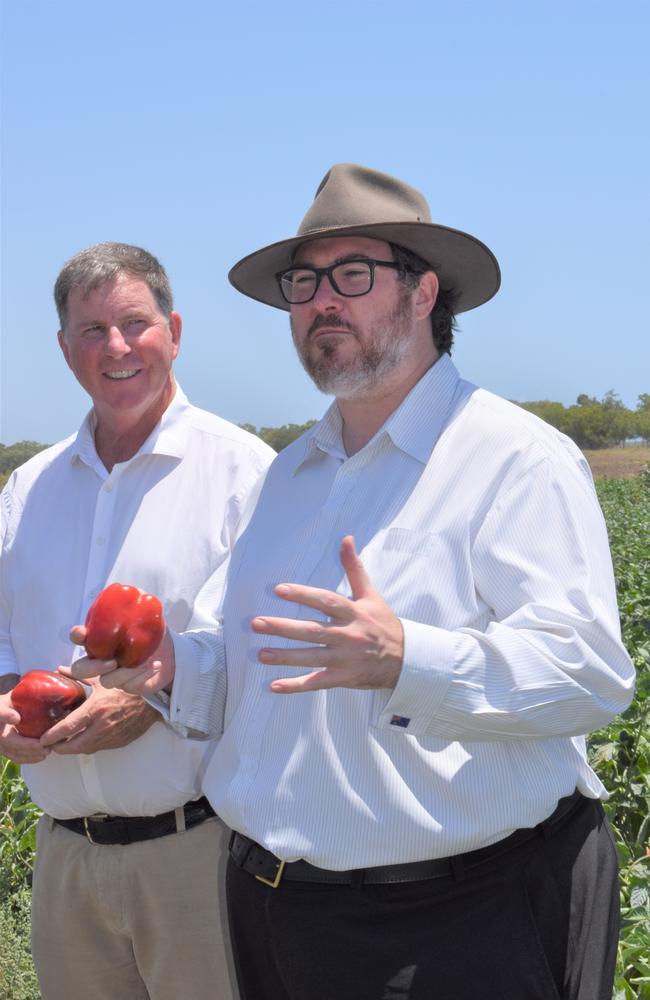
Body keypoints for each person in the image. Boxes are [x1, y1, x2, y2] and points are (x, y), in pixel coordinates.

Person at [70, 168, 635, 1000]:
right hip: (280, 913)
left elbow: (589, 674)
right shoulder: (293, 473)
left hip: (458, 916)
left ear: (423, 292)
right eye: (304, 282)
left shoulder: (513, 460)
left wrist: (409, 658)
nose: (320, 301)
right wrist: (170, 670)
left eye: (352, 275)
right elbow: (242, 657)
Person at [0, 242, 274, 1000]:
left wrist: (150, 703)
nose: (115, 348)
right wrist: (8, 709)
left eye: (134, 323)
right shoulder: (30, 487)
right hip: (66, 858)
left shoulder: (244, 472)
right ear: (63, 349)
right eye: (91, 331)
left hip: (194, 852)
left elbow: (255, 650)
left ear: (174, 331)